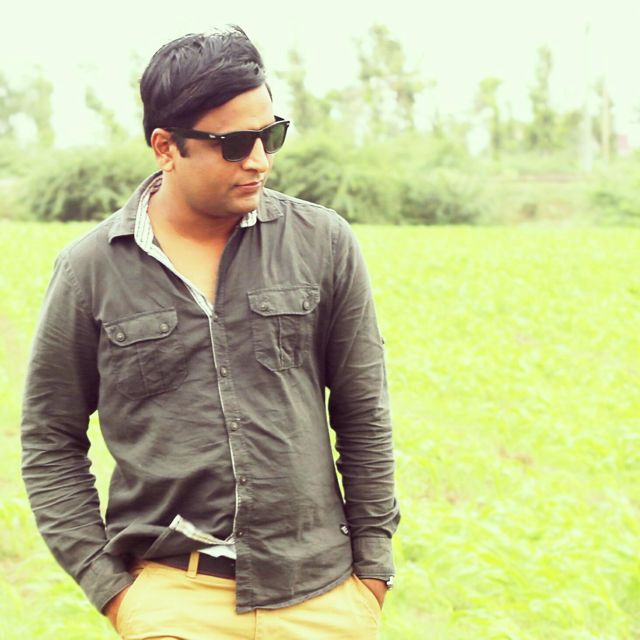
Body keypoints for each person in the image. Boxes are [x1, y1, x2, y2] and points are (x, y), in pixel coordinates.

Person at [21, 25, 399, 640]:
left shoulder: (323, 243)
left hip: (323, 598)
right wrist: (115, 593)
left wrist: (373, 573)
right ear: (166, 147)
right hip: (174, 600)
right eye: (235, 144)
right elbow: (50, 441)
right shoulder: (91, 270)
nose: (260, 160)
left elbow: (364, 413)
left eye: (271, 135)